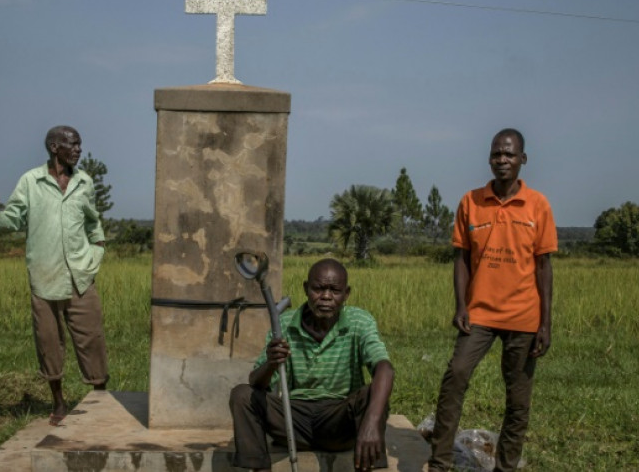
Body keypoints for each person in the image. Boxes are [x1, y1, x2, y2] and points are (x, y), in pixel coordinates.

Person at [427, 128, 557, 472]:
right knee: (455, 376)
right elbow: (461, 259)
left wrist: (545, 322)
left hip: (524, 317)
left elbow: (544, 267)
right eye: (497, 154)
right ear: (489, 158)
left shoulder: (538, 205)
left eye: (510, 155)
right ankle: (439, 463)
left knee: (517, 400)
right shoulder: (471, 202)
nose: (503, 160)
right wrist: (461, 306)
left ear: (523, 160)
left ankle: (505, 467)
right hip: (479, 313)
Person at [0, 125, 108, 426]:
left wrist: (97, 250)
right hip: (45, 277)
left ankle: (100, 398)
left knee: (91, 338)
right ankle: (58, 402)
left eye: (80, 144)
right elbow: (10, 219)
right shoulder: (31, 181)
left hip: (81, 275)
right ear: (55, 147)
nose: (79, 150)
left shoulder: (84, 181)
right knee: (48, 342)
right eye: (74, 144)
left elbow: (94, 222)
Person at [230, 258, 395, 472]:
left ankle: (367, 466)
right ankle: (259, 468)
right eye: (318, 289)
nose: (326, 297)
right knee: (242, 395)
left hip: (338, 421)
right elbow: (256, 383)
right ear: (306, 289)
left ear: (346, 294)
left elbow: (385, 367)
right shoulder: (285, 325)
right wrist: (271, 363)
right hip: (293, 419)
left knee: (372, 394)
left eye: (334, 291)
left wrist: (371, 423)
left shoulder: (359, 322)